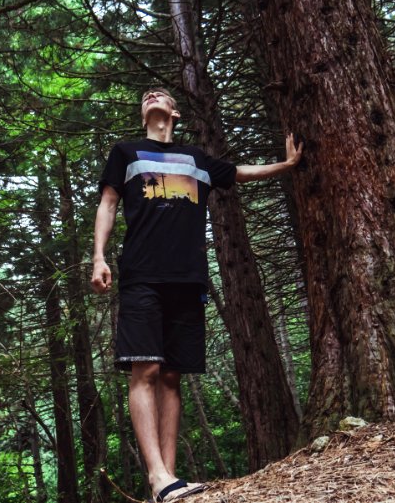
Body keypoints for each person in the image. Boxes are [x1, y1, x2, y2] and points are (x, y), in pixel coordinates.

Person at [91, 87, 303, 503]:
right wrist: (98, 257)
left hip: (188, 279)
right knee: (145, 370)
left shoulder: (197, 160)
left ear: (175, 112)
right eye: (146, 94)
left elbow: (242, 172)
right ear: (143, 113)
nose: (152, 94)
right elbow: (109, 203)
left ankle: (168, 481)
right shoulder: (126, 152)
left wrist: (289, 164)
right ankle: (156, 476)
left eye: (161, 94)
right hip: (142, 276)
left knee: (172, 376)